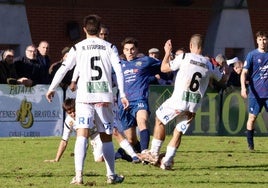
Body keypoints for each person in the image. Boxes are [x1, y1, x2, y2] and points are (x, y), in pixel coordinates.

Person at [46, 14, 129, 185]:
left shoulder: (77, 48)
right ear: (100, 30)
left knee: (82, 135)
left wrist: (51, 88)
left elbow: (63, 68)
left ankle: (79, 176)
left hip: (84, 98)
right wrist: (122, 94)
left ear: (84, 29)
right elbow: (119, 71)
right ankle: (111, 175)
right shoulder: (110, 47)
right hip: (104, 97)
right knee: (106, 136)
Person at [139, 34, 226, 170]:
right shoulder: (209, 63)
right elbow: (222, 79)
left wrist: (167, 52)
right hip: (194, 105)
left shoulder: (185, 57)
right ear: (202, 47)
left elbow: (164, 68)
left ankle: (154, 153)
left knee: (159, 119)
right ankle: (167, 161)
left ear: (191, 46)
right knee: (178, 131)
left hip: (178, 100)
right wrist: (222, 68)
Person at [118, 37, 161, 154]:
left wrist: (167, 54)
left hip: (139, 99)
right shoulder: (118, 64)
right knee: (131, 140)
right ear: (123, 50)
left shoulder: (145, 61)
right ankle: (126, 155)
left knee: (142, 121)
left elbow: (164, 67)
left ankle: (144, 153)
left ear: (137, 50)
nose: (130, 52)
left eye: (132, 49)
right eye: (127, 49)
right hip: (124, 102)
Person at [44, 98, 104, 163]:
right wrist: (56, 159)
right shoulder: (68, 121)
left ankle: (110, 155)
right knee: (79, 157)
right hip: (83, 137)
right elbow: (64, 141)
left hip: (96, 134)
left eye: (74, 111)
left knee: (99, 160)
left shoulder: (88, 113)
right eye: (70, 113)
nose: (73, 114)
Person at [240, 31, 268, 151]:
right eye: (260, 39)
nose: (262, 42)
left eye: (265, 39)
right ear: (257, 41)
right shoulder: (252, 55)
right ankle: (250, 145)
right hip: (255, 94)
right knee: (252, 118)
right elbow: (244, 72)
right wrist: (243, 88)